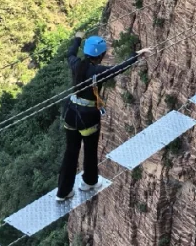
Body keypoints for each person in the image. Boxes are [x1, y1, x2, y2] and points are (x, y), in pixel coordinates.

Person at [56, 34, 138, 202]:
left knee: (70, 153)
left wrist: (77, 39)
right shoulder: (98, 72)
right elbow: (119, 68)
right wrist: (136, 55)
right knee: (90, 150)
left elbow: (70, 53)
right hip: (88, 116)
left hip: (70, 113)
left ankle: (63, 192)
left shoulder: (76, 64)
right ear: (101, 55)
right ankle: (89, 182)